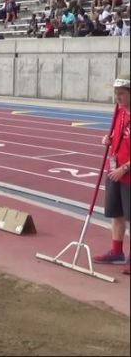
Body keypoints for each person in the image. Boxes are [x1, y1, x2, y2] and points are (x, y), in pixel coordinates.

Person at [93, 73, 130, 275]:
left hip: (127, 173)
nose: (118, 98)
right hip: (114, 170)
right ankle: (116, 252)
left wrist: (124, 168)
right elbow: (118, 135)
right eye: (116, 94)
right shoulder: (119, 111)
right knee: (116, 214)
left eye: (122, 94)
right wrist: (108, 138)